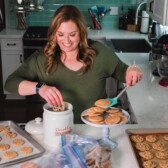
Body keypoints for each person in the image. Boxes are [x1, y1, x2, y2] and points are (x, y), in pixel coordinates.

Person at [5, 5, 143, 123]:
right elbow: (10, 83)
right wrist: (40, 87)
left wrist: (133, 69)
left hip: (95, 126)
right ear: (54, 34)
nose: (66, 41)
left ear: (81, 33)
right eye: (60, 34)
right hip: (58, 127)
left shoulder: (99, 53)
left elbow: (123, 71)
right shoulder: (42, 58)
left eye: (72, 34)